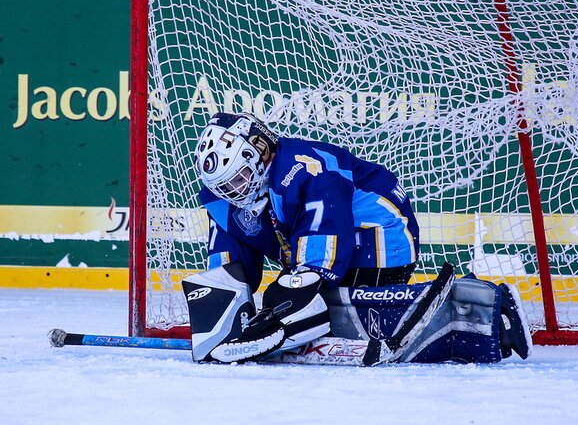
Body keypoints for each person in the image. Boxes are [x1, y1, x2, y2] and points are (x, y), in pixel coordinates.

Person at [182, 111, 531, 365]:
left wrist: (288, 299)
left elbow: (327, 236)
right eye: (226, 186)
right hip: (333, 247)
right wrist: (221, 318)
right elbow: (227, 268)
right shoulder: (225, 199)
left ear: (259, 151)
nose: (235, 190)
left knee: (344, 316)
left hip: (381, 234)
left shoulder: (303, 166)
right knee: (307, 312)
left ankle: (483, 308)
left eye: (240, 177)